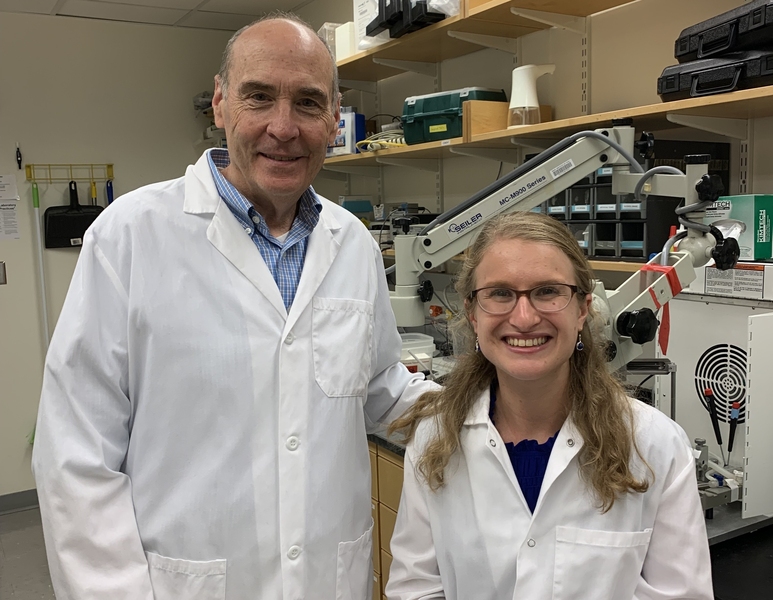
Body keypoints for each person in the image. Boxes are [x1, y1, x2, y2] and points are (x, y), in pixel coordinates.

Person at [32, 13, 433, 600]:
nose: (283, 126)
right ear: (221, 104)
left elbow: (380, 390)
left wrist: (508, 398)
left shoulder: (353, 244)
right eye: (259, 97)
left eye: (307, 103)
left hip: (327, 580)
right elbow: (75, 455)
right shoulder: (131, 235)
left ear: (333, 118)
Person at [385, 212, 713, 600]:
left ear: (582, 309)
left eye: (547, 291)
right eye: (500, 293)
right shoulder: (434, 439)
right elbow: (416, 589)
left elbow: (681, 594)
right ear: (473, 314)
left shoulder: (656, 445)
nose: (524, 318)